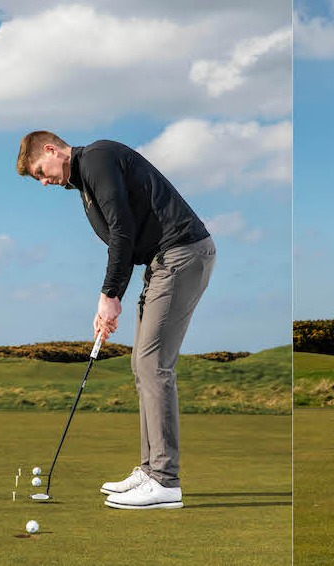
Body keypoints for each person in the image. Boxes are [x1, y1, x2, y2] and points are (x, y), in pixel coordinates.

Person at [16, 131, 216, 507]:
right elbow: (120, 237)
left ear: (51, 149)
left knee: (153, 364)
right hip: (160, 264)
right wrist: (110, 300)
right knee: (141, 365)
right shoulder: (86, 180)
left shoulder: (96, 159)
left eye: (41, 172)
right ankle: (149, 469)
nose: (44, 181)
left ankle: (165, 481)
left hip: (180, 254)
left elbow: (121, 230)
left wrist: (110, 296)